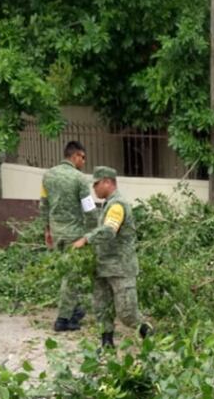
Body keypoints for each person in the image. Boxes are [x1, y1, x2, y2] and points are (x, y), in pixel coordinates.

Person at [71, 167, 150, 348]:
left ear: (107, 182)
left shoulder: (117, 205)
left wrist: (86, 239)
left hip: (120, 268)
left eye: (96, 184)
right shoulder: (108, 204)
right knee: (102, 309)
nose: (94, 189)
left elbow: (108, 231)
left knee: (127, 313)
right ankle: (107, 344)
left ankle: (150, 335)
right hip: (103, 267)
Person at [39, 141, 98, 332]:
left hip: (57, 232)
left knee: (67, 273)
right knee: (71, 276)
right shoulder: (79, 179)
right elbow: (89, 209)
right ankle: (63, 319)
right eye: (83, 158)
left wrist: (47, 230)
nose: (84, 162)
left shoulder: (48, 176)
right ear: (75, 156)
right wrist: (93, 232)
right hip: (75, 234)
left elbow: (44, 204)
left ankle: (75, 310)